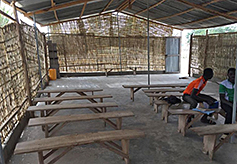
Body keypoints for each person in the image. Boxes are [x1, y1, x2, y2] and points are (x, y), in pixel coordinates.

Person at [219, 68, 235, 140]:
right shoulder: (223, 84)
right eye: (231, 74)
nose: (233, 76)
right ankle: (225, 132)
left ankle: (234, 128)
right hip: (226, 102)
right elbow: (222, 98)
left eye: (234, 74)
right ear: (227, 75)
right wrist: (232, 105)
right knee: (230, 112)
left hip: (235, 102)